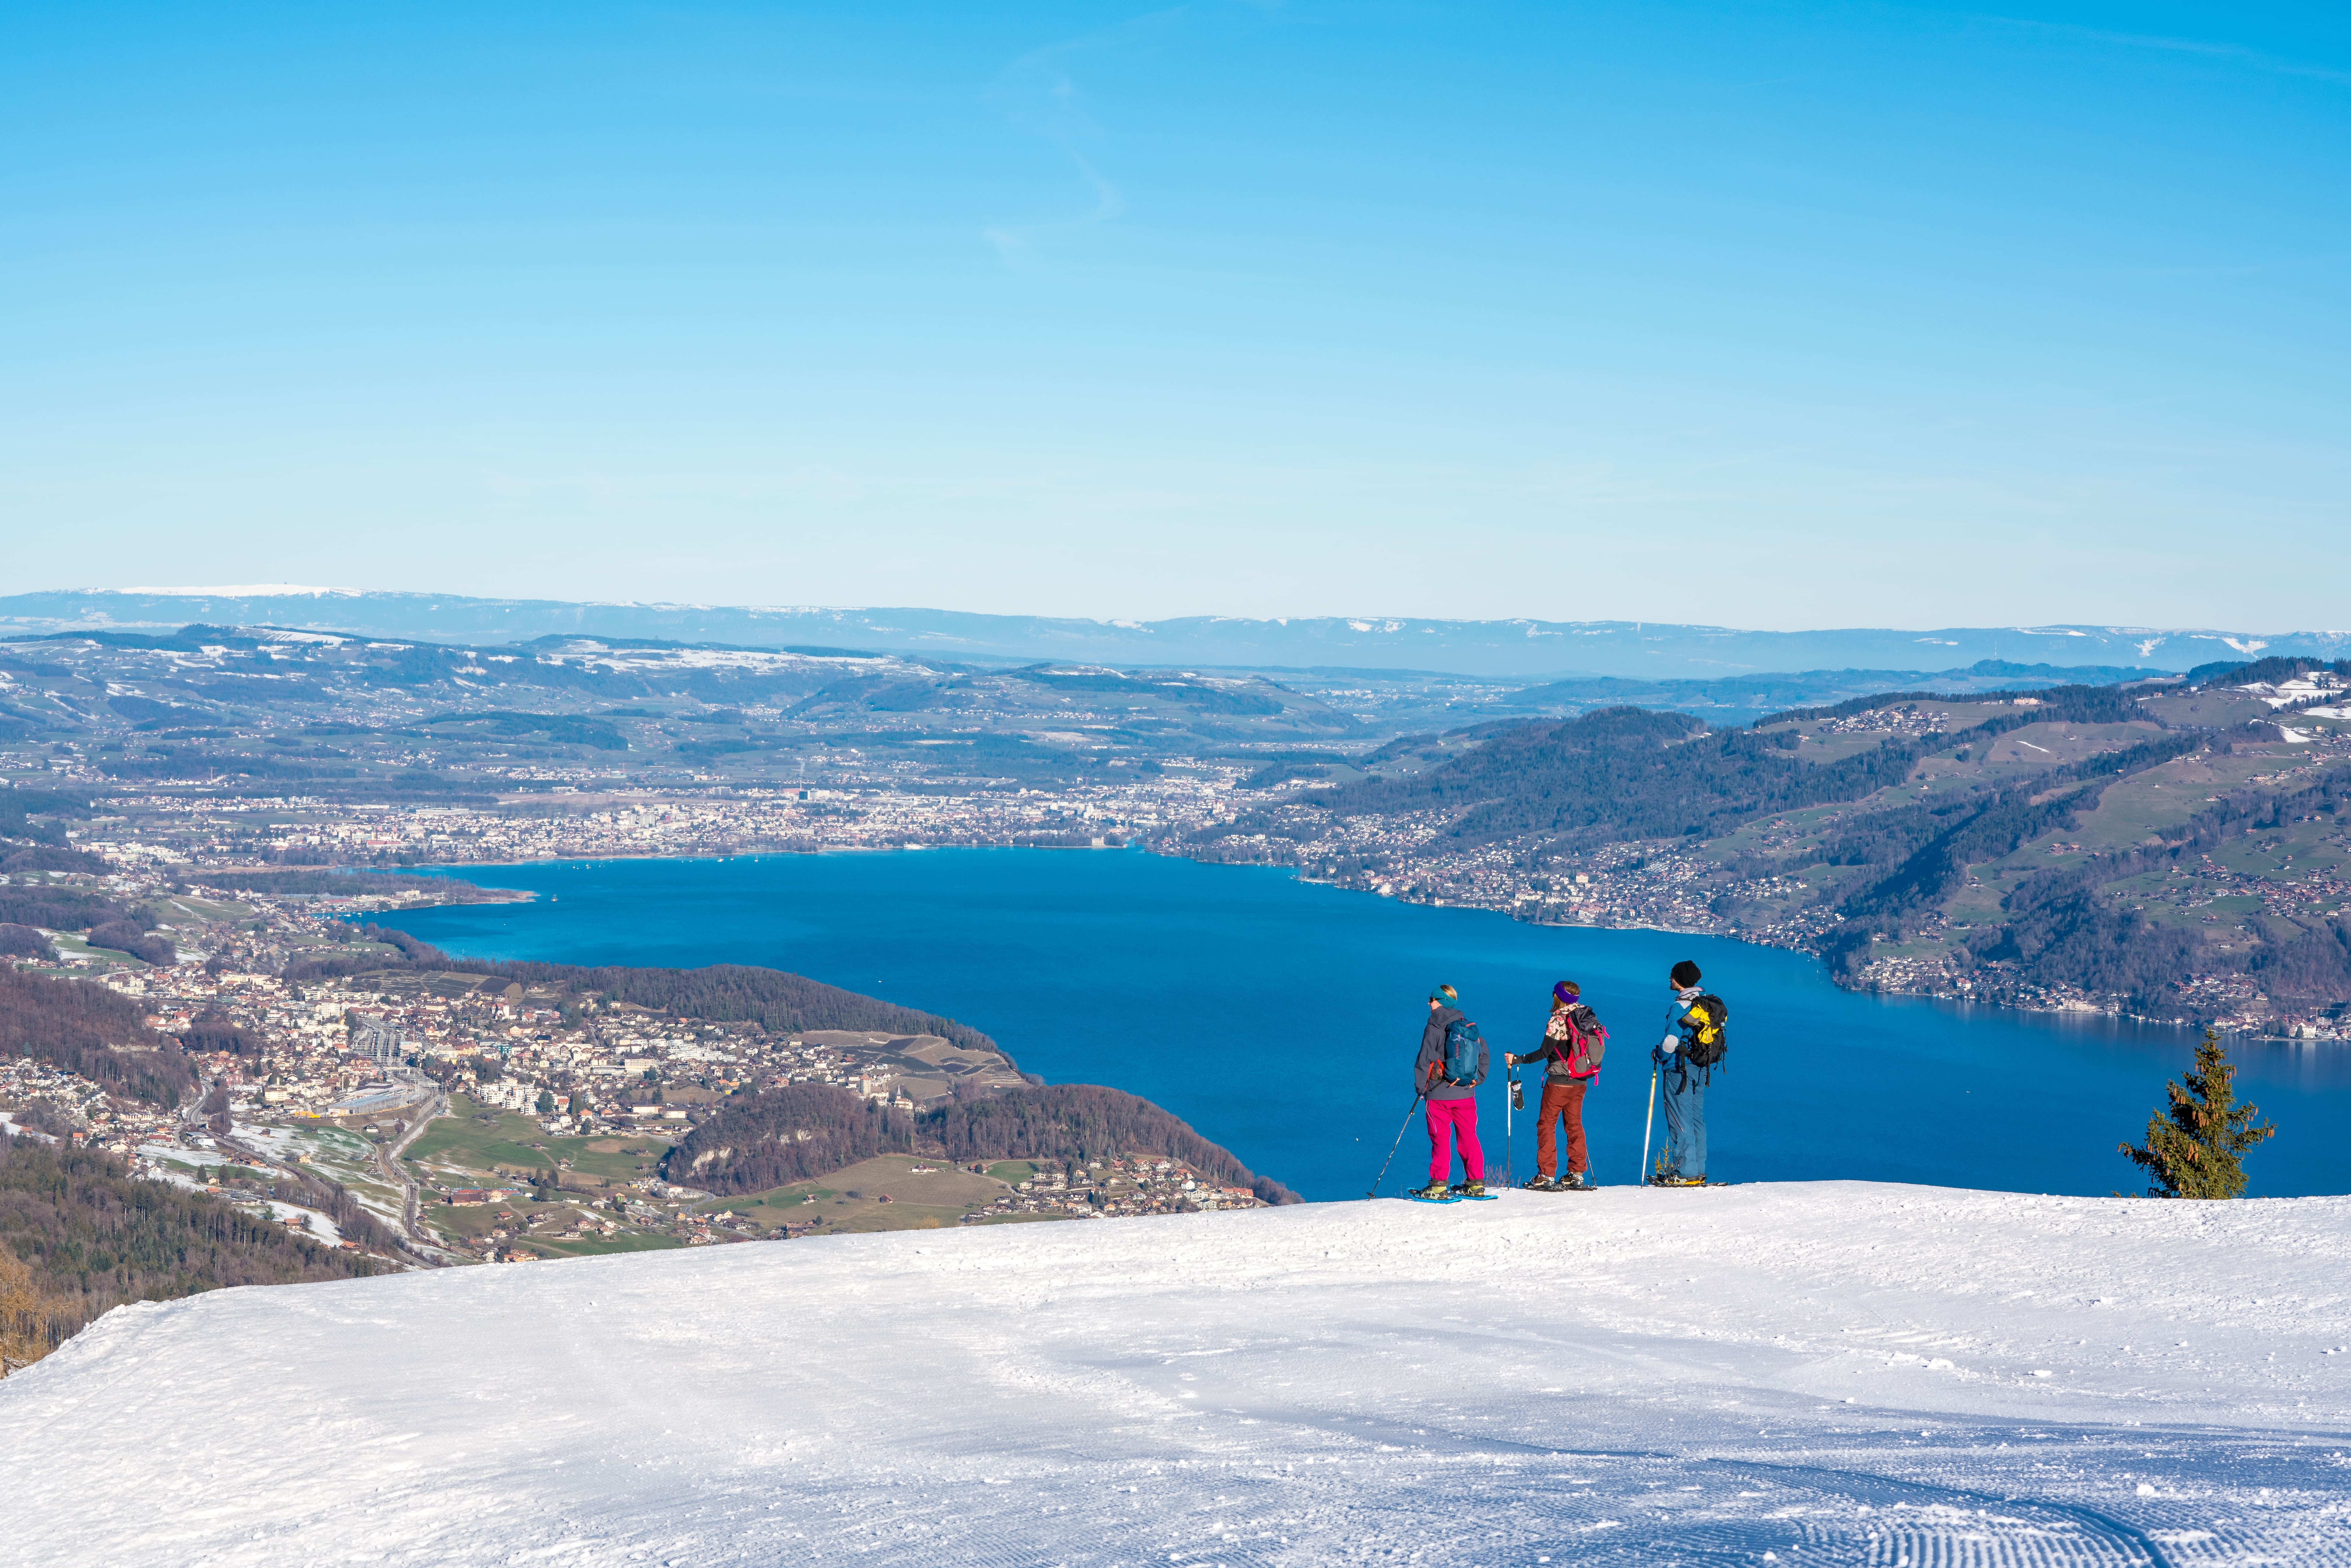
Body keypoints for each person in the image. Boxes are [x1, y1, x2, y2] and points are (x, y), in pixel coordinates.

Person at [1507, 980, 1601, 1190]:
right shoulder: (1587, 1016)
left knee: (1547, 1125)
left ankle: (1546, 1175)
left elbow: (1543, 1053)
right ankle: (1577, 1174)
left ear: (1558, 997)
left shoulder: (1558, 1019)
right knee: (1575, 1126)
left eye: (1554, 993)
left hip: (1559, 1082)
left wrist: (1518, 1059)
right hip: (1580, 1081)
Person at [1411, 983, 1487, 1199]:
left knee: (1441, 1139)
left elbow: (1424, 1059)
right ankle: (1476, 1184)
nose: (1429, 1003)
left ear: (1441, 1002)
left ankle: (1438, 1186)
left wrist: (1421, 1088)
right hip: (1466, 1094)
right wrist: (1478, 1080)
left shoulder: (1434, 1026)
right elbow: (1484, 1054)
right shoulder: (1467, 1025)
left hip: (1438, 1096)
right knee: (1469, 1137)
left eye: (1432, 999)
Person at [1651, 959, 1711, 1185]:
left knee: (1679, 1118)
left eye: (1672, 976)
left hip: (1678, 1070)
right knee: (1696, 1120)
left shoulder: (1680, 1007)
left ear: (1680, 980)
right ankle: (1698, 1169)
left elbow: (1670, 1042)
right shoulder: (1703, 1005)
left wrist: (1659, 1055)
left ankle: (1685, 1172)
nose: (1670, 979)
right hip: (1700, 1069)